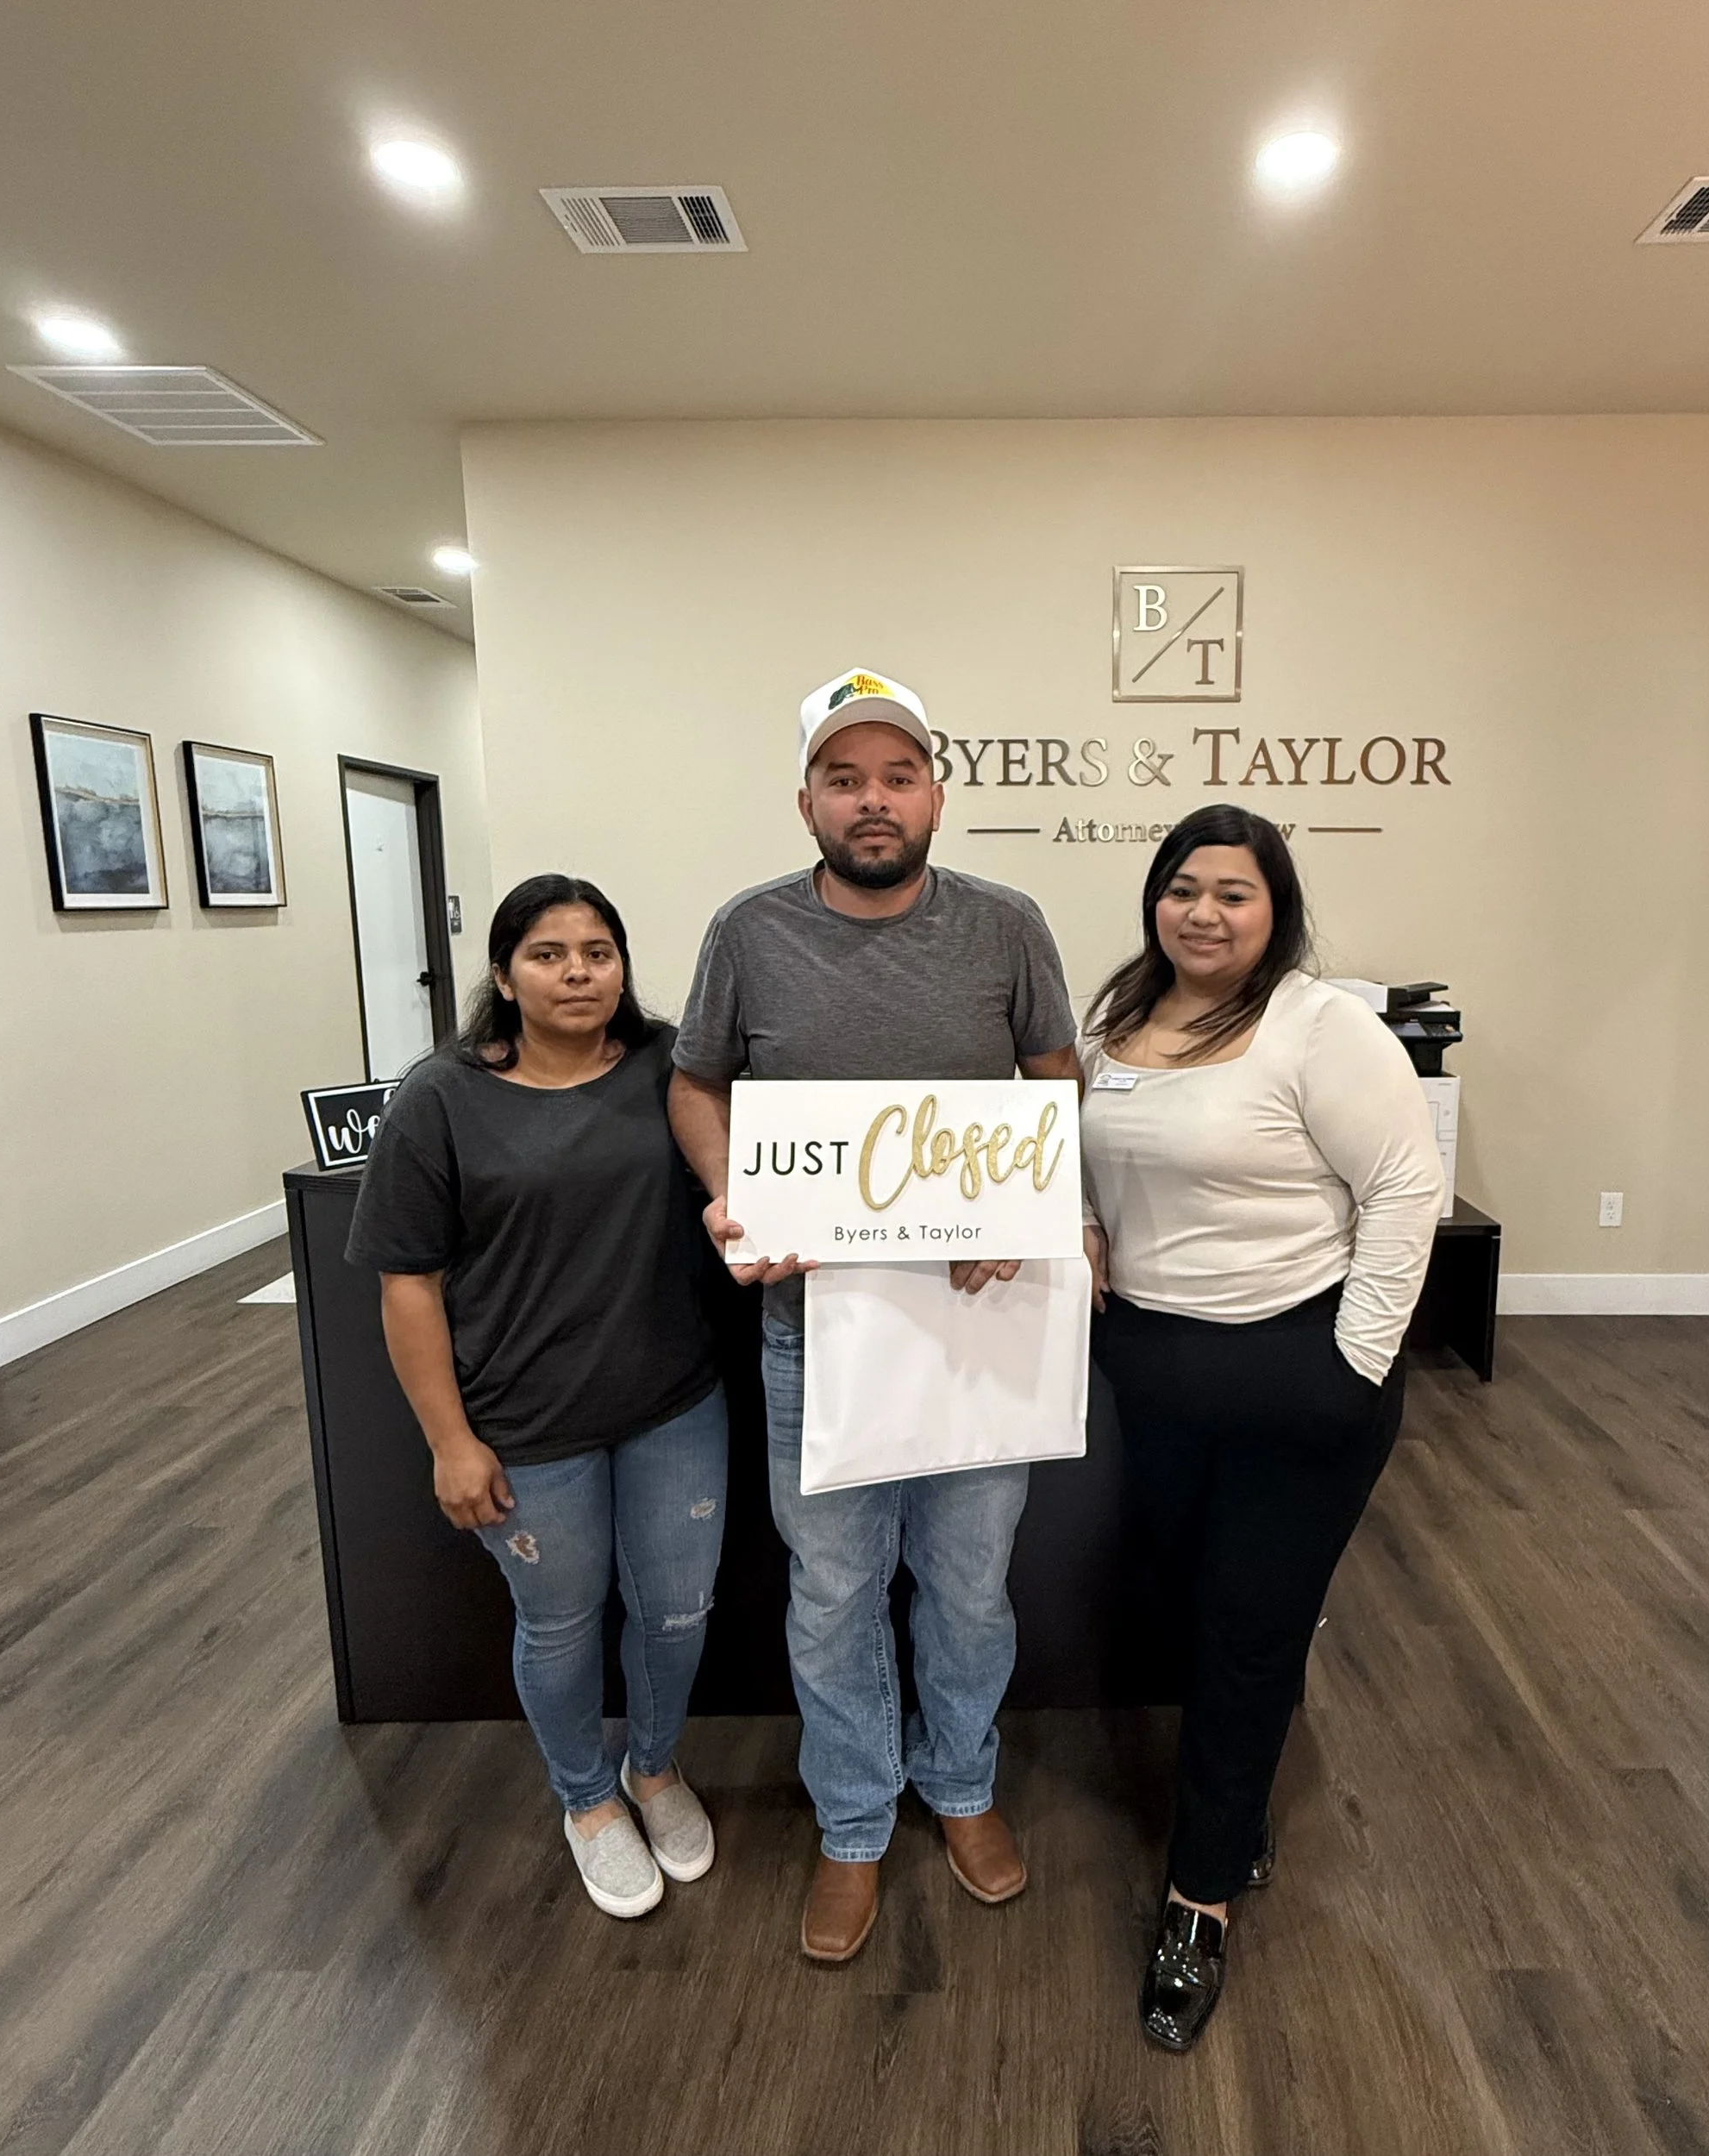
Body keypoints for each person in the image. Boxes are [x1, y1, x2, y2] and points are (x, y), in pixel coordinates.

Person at [667, 667, 1080, 1965]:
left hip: (979, 1325)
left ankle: (960, 1788)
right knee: (834, 1590)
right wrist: (733, 1191)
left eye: (897, 775)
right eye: (845, 779)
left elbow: (1054, 1079)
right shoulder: (748, 932)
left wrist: (1018, 1213)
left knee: (968, 1586)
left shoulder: (1008, 925)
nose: (873, 800)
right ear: (808, 800)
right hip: (813, 1321)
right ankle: (853, 1821)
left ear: (937, 794)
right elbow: (696, 1085)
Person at [1079, 804, 1445, 2050]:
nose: (1204, 912)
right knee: (1194, 1601)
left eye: (1235, 892)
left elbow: (1405, 1188)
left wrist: (1357, 1362)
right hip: (1154, 1361)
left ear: (1276, 907)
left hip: (1300, 1364)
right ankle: (1239, 1804)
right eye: (1184, 887)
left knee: (1247, 1626)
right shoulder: (1116, 1016)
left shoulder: (1320, 1025)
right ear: (1155, 900)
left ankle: (1201, 1897)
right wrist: (1080, 1229)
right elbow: (1084, 1164)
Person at [348, 874, 727, 1921]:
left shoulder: (668, 1069)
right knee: (559, 1625)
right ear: (505, 973)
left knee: (677, 1612)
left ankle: (654, 1770)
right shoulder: (441, 1097)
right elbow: (406, 1284)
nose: (577, 973)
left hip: (673, 1406)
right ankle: (588, 1800)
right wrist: (448, 1442)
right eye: (550, 954)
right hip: (522, 1427)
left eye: (598, 952)